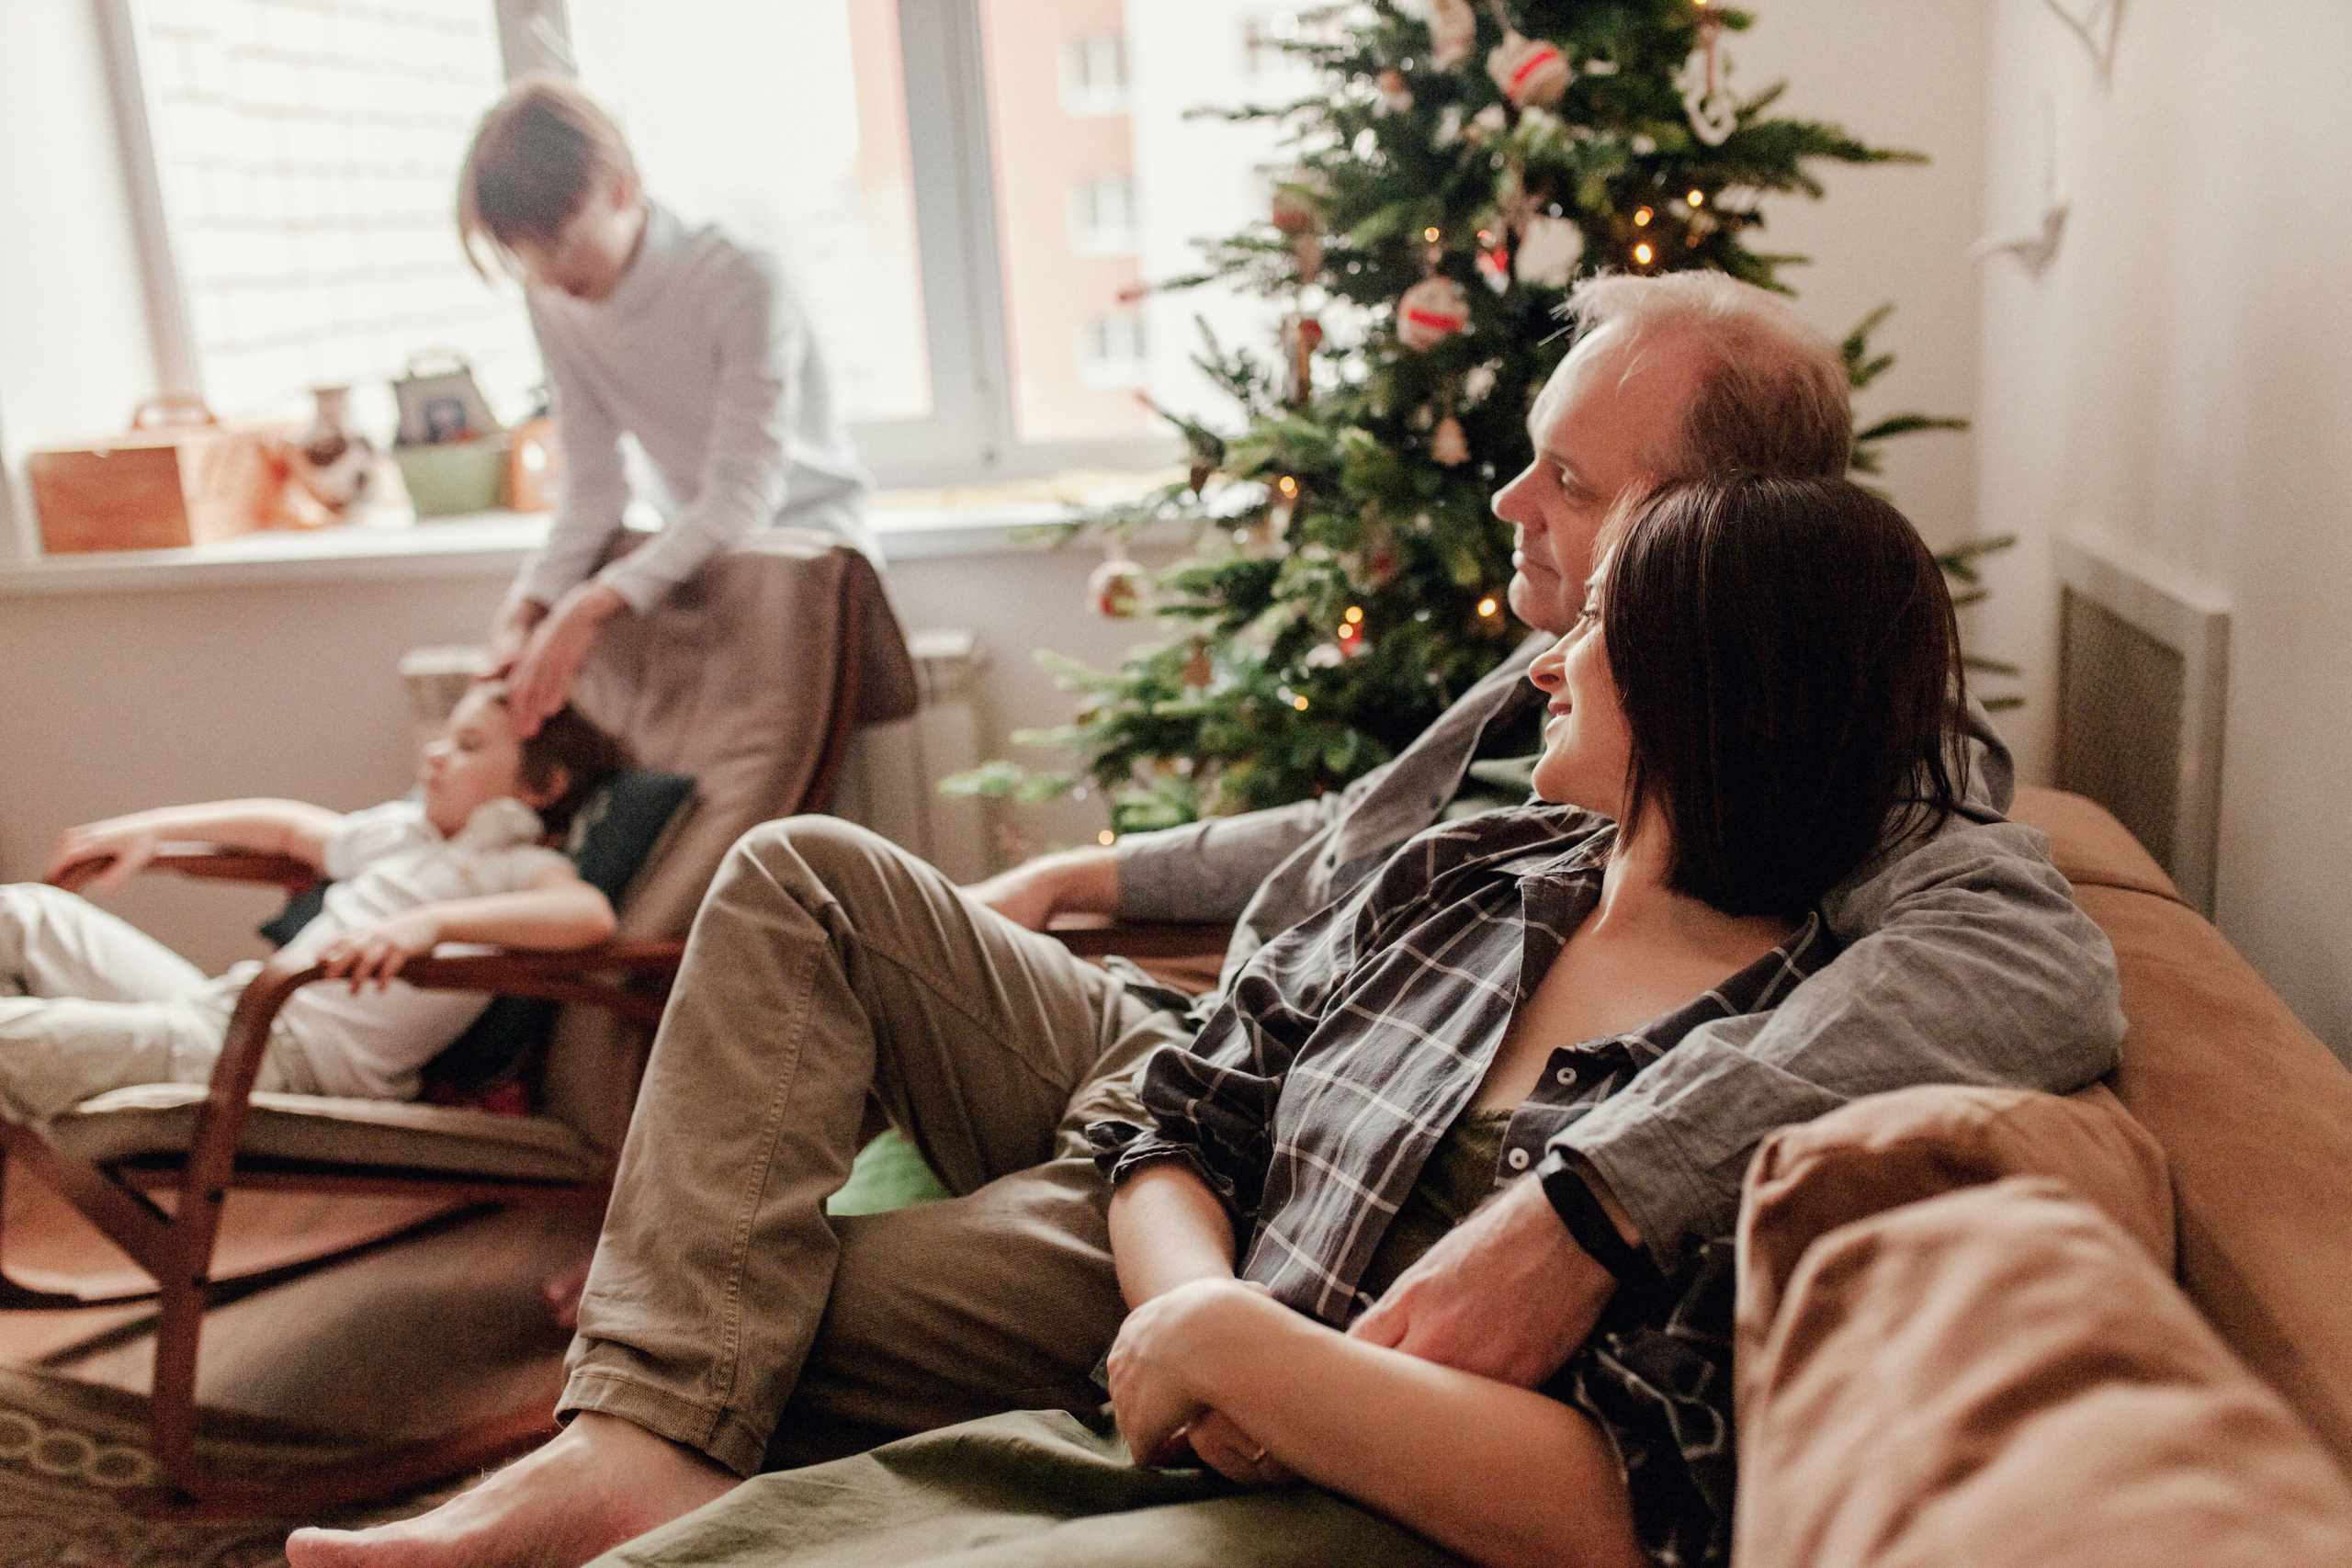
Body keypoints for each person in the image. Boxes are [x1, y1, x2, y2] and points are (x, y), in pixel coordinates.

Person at [284, 273, 2123, 1568]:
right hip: (1224, 1071)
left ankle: (646, 1412)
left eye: (1568, 475)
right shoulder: (1554, 719)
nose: (1510, 497)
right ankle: (635, 1432)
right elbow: (1351, 843)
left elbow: (2029, 955)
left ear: (1720, 528)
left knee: (720, 1296)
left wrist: (1583, 1208)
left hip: (1290, 1194)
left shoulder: (1832, 754)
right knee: (808, 884)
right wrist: (1078, 880)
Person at [1093, 474, 1969, 1567]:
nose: (1547, 659)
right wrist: (1195, 1325)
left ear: (1716, 674)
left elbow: (1642, 1509)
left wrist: (1247, 1360)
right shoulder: (1465, 871)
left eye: (1600, 620)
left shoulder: (1789, 1048)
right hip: (1167, 1446)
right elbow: (1178, 1122)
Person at [457, 76, 875, 737]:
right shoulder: (555, 300)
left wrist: (593, 602)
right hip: (702, 563)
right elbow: (593, 490)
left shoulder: (738, 279)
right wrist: (529, 607)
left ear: (621, 186)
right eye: (523, 256)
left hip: (812, 560)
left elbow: (742, 496)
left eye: (560, 240)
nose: (546, 274)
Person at [15, 684, 624, 1117]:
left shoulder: (517, 865)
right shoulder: (404, 831)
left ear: (541, 786)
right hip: (229, 1011)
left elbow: (588, 916)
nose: (435, 753)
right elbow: (286, 829)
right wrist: (150, 830)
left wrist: (429, 926)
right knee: (28, 914)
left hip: (289, 1060)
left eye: (467, 745)